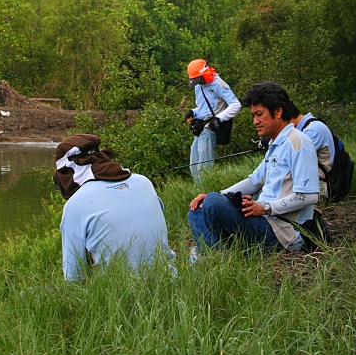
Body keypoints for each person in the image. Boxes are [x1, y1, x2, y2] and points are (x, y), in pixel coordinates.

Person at [187, 81, 319, 255]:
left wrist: (264, 208)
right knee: (198, 209)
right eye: (253, 116)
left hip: (282, 230)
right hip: (263, 219)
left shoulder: (298, 142)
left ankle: (211, 254)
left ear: (278, 112)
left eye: (259, 114)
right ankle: (213, 255)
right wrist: (220, 195)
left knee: (212, 202)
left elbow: (309, 196)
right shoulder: (276, 143)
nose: (255, 121)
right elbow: (254, 181)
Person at [54, 134, 176, 281]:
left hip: (119, 295)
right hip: (169, 281)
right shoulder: (144, 182)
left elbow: (73, 277)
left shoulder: (75, 204)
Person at [185, 59, 241, 181]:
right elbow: (202, 107)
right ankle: (197, 192)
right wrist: (192, 112)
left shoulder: (219, 85)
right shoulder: (198, 86)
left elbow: (236, 105)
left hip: (210, 128)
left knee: (204, 168)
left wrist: (218, 119)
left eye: (198, 79)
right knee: (193, 165)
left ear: (203, 74)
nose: (197, 83)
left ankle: (204, 193)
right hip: (200, 128)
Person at [290, 104, 347, 202]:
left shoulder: (312, 130)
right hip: (311, 186)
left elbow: (292, 160)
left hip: (319, 190)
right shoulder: (307, 127)